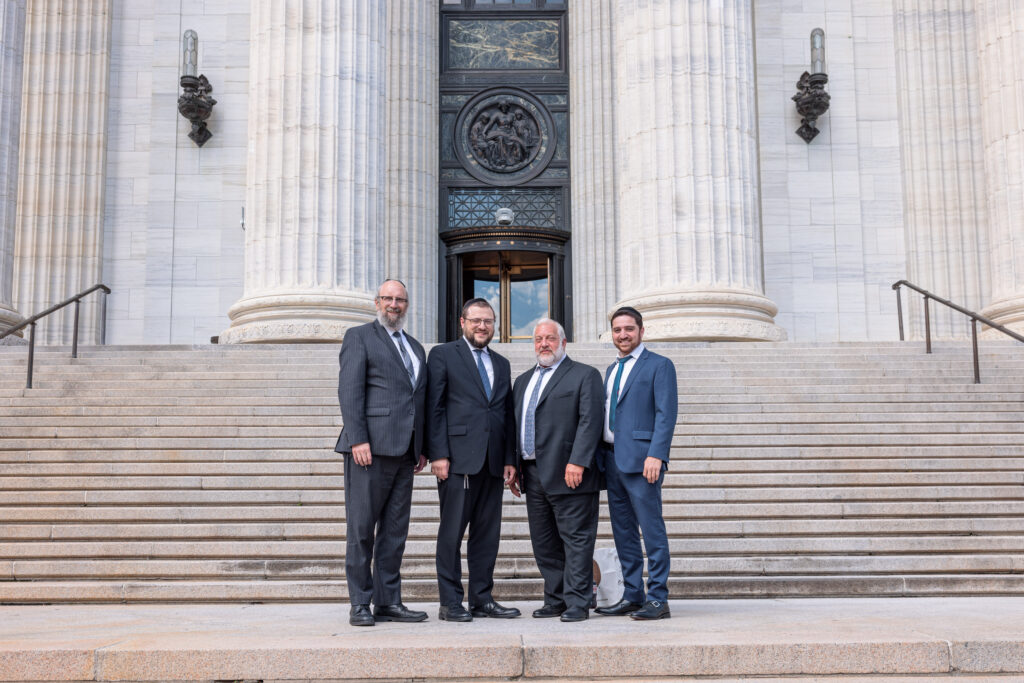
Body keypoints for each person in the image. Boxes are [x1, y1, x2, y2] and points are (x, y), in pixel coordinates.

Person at [335, 279, 429, 627]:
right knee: (361, 529)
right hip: (369, 450)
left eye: (400, 299)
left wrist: (422, 447)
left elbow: (418, 400)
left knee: (394, 531)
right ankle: (360, 602)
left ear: (407, 305)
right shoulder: (359, 337)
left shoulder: (416, 347)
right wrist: (358, 438)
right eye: (388, 298)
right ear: (377, 302)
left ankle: (388, 601)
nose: (394, 304)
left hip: (405, 453)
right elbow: (350, 390)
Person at [426, 298, 521, 622]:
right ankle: (450, 602)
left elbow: (505, 413)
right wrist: (438, 454)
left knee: (486, 536)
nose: (482, 326)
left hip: (492, 463)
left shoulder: (502, 363)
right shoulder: (443, 354)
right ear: (462, 322)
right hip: (457, 461)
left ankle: (482, 599)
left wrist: (509, 458)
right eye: (476, 320)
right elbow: (435, 407)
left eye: (488, 321)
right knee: (451, 534)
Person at [511, 318, 604, 622]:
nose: (544, 344)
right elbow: (514, 425)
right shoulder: (522, 381)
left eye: (550, 338)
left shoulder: (584, 375)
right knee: (544, 541)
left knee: (576, 540)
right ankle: (555, 598)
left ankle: (578, 601)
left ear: (563, 342)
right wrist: (513, 464)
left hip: (570, 472)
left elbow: (590, 421)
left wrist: (578, 461)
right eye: (538, 339)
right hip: (532, 472)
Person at [594, 306, 677, 620]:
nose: (623, 335)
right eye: (617, 330)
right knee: (623, 531)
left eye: (629, 329)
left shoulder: (659, 365)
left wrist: (657, 454)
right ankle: (632, 594)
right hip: (612, 460)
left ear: (642, 331)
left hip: (643, 462)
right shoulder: (611, 369)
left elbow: (665, 414)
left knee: (652, 531)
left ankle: (657, 598)